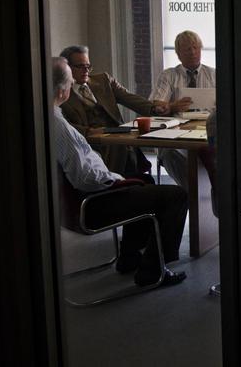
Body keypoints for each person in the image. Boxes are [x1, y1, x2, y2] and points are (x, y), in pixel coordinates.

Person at [50, 57, 188, 287]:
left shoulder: (49, 118)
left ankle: (130, 257)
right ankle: (153, 271)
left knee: (143, 181)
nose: (85, 71)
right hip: (92, 203)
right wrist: (117, 180)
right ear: (65, 90)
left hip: (78, 202)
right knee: (177, 196)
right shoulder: (61, 127)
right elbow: (85, 177)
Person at [58, 45, 166, 175]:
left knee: (131, 142)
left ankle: (132, 183)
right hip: (89, 139)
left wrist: (154, 108)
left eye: (88, 66)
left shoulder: (104, 80)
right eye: (81, 66)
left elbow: (129, 98)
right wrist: (88, 131)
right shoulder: (61, 92)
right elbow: (61, 123)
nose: (86, 70)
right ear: (68, 68)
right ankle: (115, 185)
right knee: (120, 147)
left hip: (115, 132)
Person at [150, 30, 217, 187]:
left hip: (206, 132)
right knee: (168, 153)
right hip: (177, 134)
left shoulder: (213, 75)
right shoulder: (169, 76)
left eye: (195, 47)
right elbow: (154, 105)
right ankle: (192, 193)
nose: (192, 52)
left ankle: (215, 191)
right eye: (187, 49)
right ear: (178, 54)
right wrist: (172, 106)